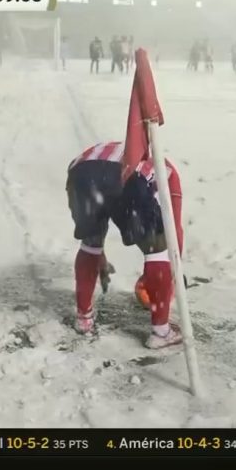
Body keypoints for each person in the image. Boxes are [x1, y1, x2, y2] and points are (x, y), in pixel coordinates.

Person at [66, 141, 185, 349]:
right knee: (157, 250)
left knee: (90, 243)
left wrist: (98, 255)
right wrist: (171, 271)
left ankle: (83, 319)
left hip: (81, 172)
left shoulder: (109, 151)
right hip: (129, 176)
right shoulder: (169, 174)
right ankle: (161, 332)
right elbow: (174, 232)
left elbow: (84, 204)